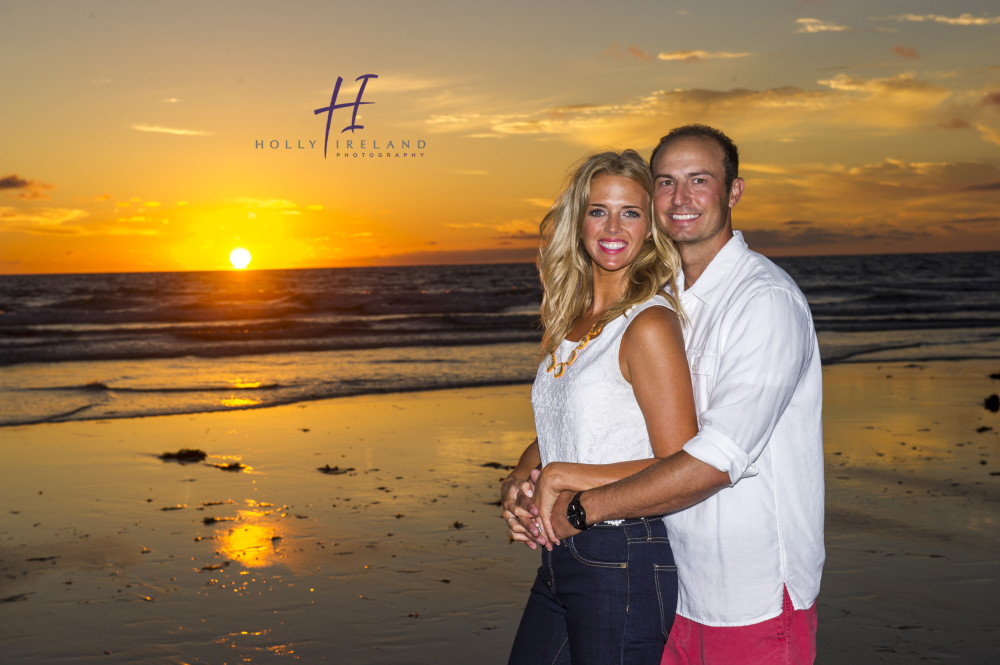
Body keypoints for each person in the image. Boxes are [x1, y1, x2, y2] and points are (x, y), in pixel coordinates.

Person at [525, 125, 825, 665]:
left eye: (699, 180)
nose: (680, 198)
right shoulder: (672, 298)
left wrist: (580, 502)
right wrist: (529, 473)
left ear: (733, 191)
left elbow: (716, 458)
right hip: (685, 581)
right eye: (666, 182)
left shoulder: (765, 301)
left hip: (749, 590)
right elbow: (603, 412)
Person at [501, 149, 698, 664]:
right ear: (579, 222)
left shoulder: (648, 325)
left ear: (652, 227)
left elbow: (680, 465)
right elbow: (568, 424)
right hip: (561, 555)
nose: (613, 226)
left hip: (625, 553)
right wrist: (520, 480)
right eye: (598, 210)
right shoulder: (573, 320)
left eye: (630, 212)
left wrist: (563, 475)